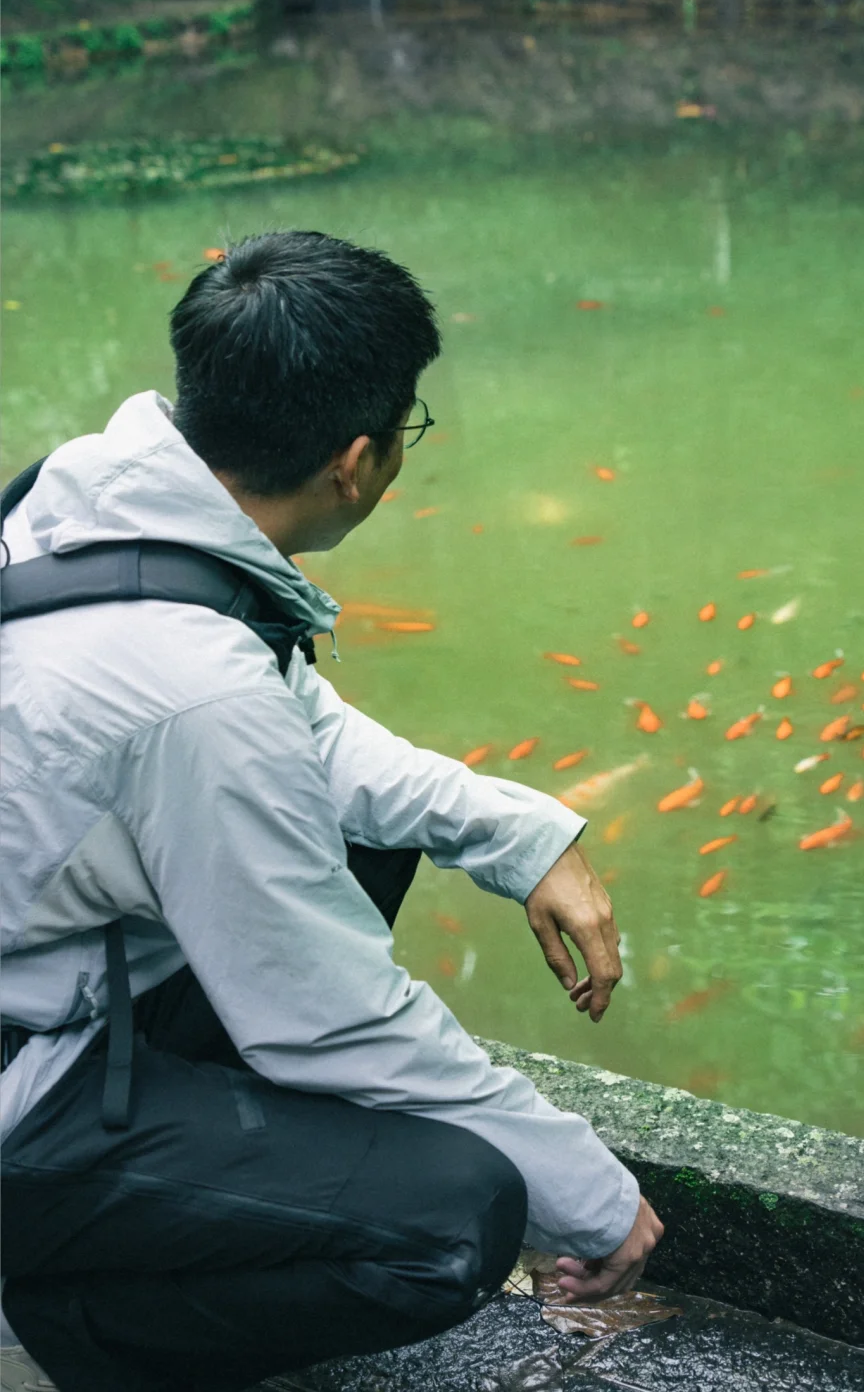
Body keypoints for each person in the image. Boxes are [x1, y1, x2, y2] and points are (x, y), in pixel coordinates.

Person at [0, 231, 663, 1392]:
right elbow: (328, 1016)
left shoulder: (92, 500)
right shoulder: (187, 686)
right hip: (27, 1080)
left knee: (365, 838)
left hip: (56, 972)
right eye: (409, 430)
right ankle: (81, 1324)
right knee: (458, 1215)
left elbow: (301, 727)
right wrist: (592, 1202)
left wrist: (525, 836)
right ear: (357, 462)